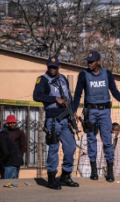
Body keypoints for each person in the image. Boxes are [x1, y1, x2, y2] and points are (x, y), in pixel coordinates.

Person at [73, 50, 120, 182]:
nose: (89, 64)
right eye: (88, 62)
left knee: (107, 140)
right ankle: (94, 170)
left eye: (91, 62)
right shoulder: (83, 75)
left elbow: (114, 91)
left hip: (104, 111)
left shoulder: (107, 74)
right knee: (91, 139)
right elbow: (77, 94)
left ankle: (110, 170)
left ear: (98, 62)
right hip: (90, 111)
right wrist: (73, 110)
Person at [33, 56, 79, 190]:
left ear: (59, 67)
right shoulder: (42, 80)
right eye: (50, 67)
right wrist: (54, 99)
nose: (52, 69)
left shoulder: (63, 79)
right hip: (53, 119)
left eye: (54, 67)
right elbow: (36, 96)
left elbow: (68, 97)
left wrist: (73, 112)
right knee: (53, 148)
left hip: (66, 118)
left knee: (70, 148)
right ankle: (52, 178)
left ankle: (65, 176)